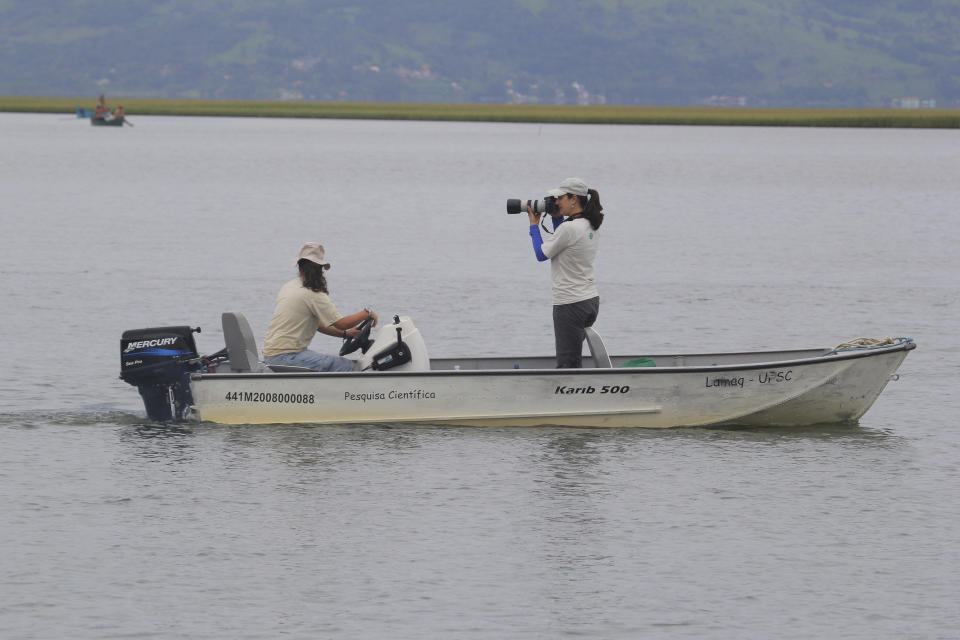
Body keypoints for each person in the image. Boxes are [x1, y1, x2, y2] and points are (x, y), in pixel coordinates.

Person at [261, 242, 378, 372]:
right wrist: (367, 313)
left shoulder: (289, 287)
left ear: (300, 268)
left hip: (272, 355)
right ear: (320, 270)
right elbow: (342, 323)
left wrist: (345, 334)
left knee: (336, 363)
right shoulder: (312, 293)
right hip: (287, 356)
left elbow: (318, 325)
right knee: (349, 366)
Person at [526, 177, 604, 368]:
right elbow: (564, 240)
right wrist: (557, 218)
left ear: (573, 199)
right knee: (573, 359)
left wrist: (533, 225)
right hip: (589, 301)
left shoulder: (569, 228)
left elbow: (541, 254)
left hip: (570, 304)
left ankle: (572, 395)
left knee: (567, 364)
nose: (556, 202)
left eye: (560, 198)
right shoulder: (590, 223)